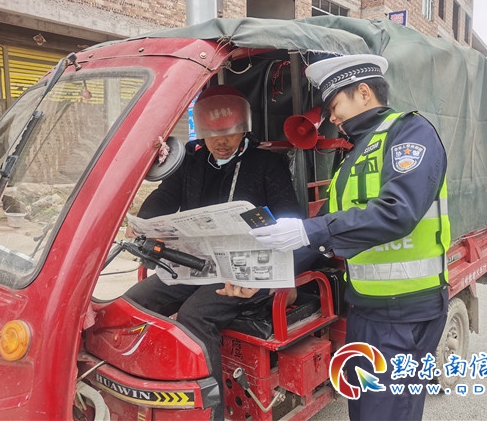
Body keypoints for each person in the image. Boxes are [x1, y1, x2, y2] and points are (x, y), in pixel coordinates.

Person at [249, 54, 451, 421]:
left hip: (406, 311)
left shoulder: (409, 132)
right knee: (362, 408)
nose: (331, 118)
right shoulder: (353, 155)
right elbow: (325, 228)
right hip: (366, 307)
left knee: (387, 414)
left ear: (363, 93)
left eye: (334, 106)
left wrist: (309, 229)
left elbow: (398, 212)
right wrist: (264, 275)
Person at [123, 84, 301, 421]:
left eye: (230, 133)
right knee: (133, 303)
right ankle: (145, 387)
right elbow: (165, 196)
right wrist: (144, 222)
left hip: (244, 271)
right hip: (195, 264)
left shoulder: (266, 163)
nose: (222, 142)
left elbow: (291, 218)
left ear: (243, 128)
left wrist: (279, 264)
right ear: (201, 132)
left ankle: (210, 413)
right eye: (213, 135)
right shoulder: (191, 161)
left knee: (195, 316)